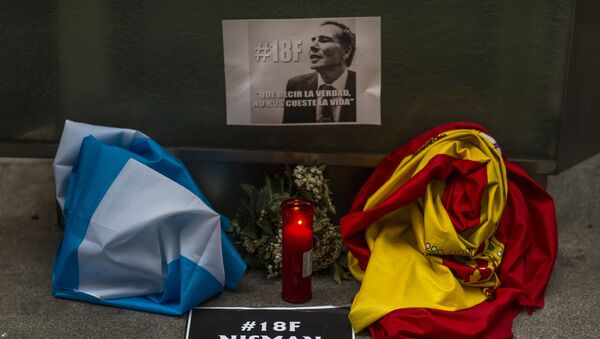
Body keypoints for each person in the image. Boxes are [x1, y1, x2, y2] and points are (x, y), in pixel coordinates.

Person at [282, 21, 356, 123]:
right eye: (313, 40)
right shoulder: (295, 85)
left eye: (324, 40)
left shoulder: (360, 84)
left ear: (346, 52)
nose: (313, 46)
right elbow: (289, 132)